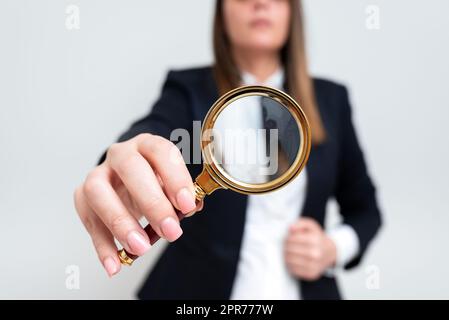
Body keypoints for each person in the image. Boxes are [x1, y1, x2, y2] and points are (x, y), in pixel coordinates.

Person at [74, 0, 382, 299]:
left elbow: (366, 209)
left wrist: (333, 248)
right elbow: (151, 131)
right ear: (222, 12)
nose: (260, 2)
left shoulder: (332, 100)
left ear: (293, 12)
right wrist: (124, 160)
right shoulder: (186, 88)